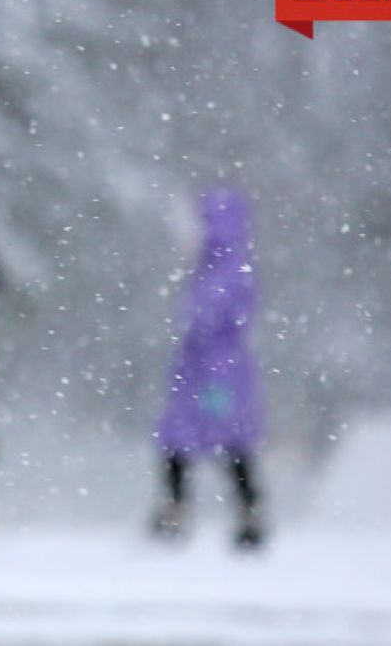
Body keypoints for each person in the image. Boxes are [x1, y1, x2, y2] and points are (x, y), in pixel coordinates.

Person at [152, 187, 265, 549]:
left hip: (215, 374)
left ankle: (191, 512)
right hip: (208, 371)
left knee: (219, 441)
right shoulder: (218, 268)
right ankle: (241, 513)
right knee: (206, 443)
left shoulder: (222, 272)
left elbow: (210, 319)